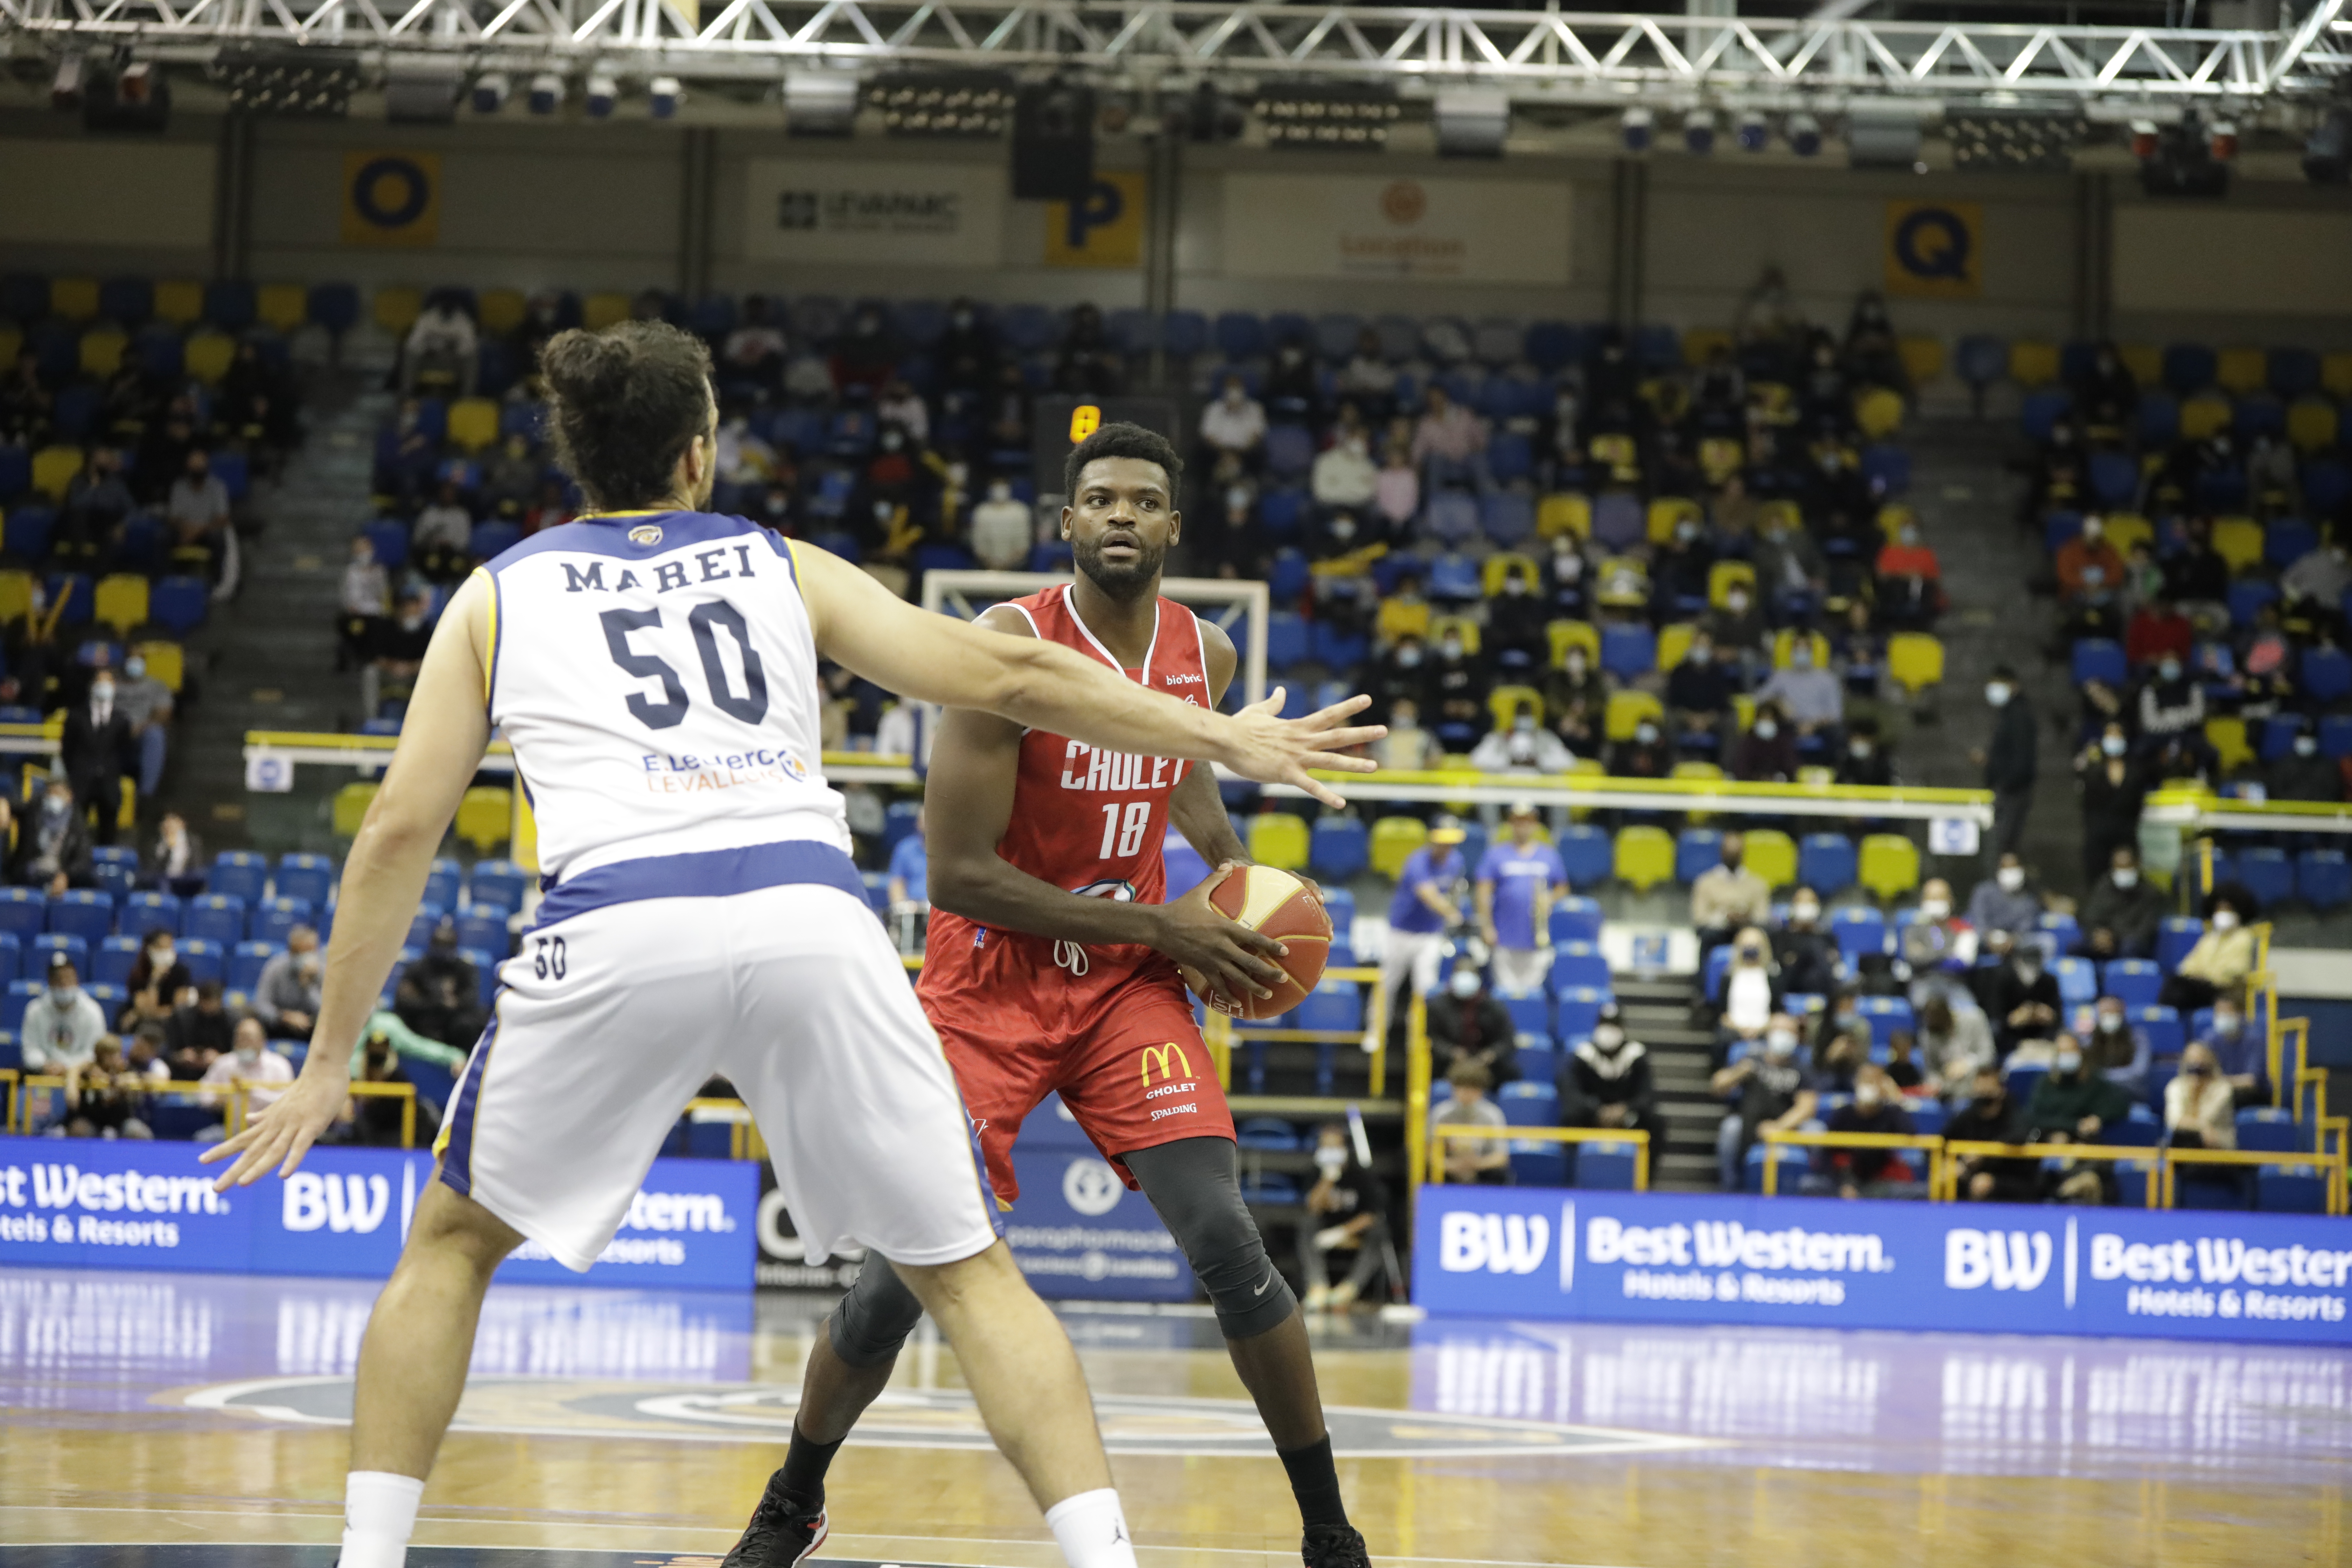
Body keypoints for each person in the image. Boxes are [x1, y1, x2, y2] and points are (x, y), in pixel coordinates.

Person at [201, 326, 1381, 1568]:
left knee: (449, 1245)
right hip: (817, 917)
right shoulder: (777, 563)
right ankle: (1086, 1554)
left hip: (619, 917)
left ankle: (367, 1556)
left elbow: (397, 827)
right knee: (966, 1275)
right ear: (700, 455)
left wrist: (331, 1057)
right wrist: (1228, 739)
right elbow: (1011, 675)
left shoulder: (497, 591)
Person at [1376, 816, 1467, 1045]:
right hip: (1401, 931)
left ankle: (1416, 1041)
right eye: (1443, 842)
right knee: (1387, 984)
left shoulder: (1456, 861)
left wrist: (1453, 910)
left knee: (1425, 989)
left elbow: (1455, 890)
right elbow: (1428, 895)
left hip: (1430, 933)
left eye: (1451, 843)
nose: (1447, 848)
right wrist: (1453, 914)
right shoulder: (1418, 861)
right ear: (1432, 839)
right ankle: (1376, 1034)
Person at [1712, 1014, 1815, 1192]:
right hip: (1750, 1125)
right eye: (1779, 1030)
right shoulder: (1752, 1060)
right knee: (1731, 1128)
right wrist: (1738, 1073)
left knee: (1816, 1130)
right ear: (1769, 1034)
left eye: (1789, 1031)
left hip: (1789, 1127)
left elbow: (1807, 1107)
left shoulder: (1801, 1068)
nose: (1784, 1035)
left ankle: (1808, 1187)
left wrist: (1778, 1128)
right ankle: (1731, 1187)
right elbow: (1717, 1087)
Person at [1473, 802, 1567, 995]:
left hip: (1536, 938)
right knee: (1505, 994)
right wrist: (1486, 926)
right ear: (1511, 823)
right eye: (1518, 821)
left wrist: (1550, 899)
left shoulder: (1549, 855)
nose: (1522, 826)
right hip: (1504, 937)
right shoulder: (1495, 854)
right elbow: (1483, 891)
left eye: (1527, 821)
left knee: (1531, 995)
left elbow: (1562, 887)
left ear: (1535, 824)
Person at [1299, 1123, 1387, 1312]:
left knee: (1379, 1231)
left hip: (1355, 1229)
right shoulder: (1316, 1172)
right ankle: (1318, 1287)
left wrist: (1341, 1233)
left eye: (1334, 1147)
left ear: (1345, 1149)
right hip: (1325, 1228)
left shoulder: (1361, 1174)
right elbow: (1313, 1207)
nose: (1329, 1151)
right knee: (1306, 1224)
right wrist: (1328, 1180)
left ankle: (1349, 1289)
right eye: (1325, 1147)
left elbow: (1372, 1215)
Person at [1558, 1001, 1662, 1149]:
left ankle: (1644, 1172)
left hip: (1628, 1119)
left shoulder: (1636, 1055)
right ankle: (1574, 1170)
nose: (1608, 1032)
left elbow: (1647, 1095)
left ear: (1622, 1029)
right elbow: (1570, 1092)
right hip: (1591, 1118)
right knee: (1570, 1118)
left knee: (1655, 1122)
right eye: (1604, 1025)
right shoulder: (1583, 1055)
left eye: (1614, 1026)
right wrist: (1596, 1110)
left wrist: (1625, 1109)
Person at [1809, 1066, 1921, 1199]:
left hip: (1879, 1182)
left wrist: (1895, 1098)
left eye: (1875, 1082)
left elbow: (1910, 1132)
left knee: (1916, 1193)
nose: (1870, 1086)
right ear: (1856, 1083)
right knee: (1810, 1186)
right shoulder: (1843, 1114)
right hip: (1844, 1180)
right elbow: (1826, 1154)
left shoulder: (1891, 1114)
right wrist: (1845, 1183)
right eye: (1866, 1081)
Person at [62, 667, 133, 847]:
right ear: (92, 686)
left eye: (108, 682)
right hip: (81, 781)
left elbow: (126, 751)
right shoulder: (76, 716)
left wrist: (114, 770)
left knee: (108, 834)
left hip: (109, 783)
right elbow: (67, 750)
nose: (104, 686)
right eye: (100, 682)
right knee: (75, 833)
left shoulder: (122, 719)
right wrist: (78, 771)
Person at [1945, 1067, 2038, 1203]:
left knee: (1981, 1185)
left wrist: (1983, 1155)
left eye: (1989, 1089)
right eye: (1980, 1089)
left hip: (2012, 1177)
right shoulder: (1968, 1116)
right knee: (1946, 1177)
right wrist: (1951, 1164)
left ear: (2001, 1090)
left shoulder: (2015, 1115)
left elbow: (2020, 1136)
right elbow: (1943, 1140)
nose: (1984, 1093)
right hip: (1973, 1175)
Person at [1427, 953, 1521, 1086]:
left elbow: (1507, 1040)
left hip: (1489, 1066)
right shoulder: (1437, 1006)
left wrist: (1491, 1054)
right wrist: (1452, 1053)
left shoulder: (1494, 1007)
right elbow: (1431, 1038)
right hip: (1447, 1065)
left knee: (1510, 1076)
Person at [1975, 665, 2036, 864]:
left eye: (1998, 685)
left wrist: (2005, 784)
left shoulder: (2018, 715)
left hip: (2013, 793)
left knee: (2002, 849)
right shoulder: (2009, 714)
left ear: (2013, 686)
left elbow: (2021, 758)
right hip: (2009, 790)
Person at [2025, 1035, 2133, 1146]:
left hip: (2084, 1140)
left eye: (2071, 1052)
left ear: (2080, 1053)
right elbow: (2033, 1117)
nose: (2067, 1057)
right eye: (2062, 1053)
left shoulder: (2093, 1081)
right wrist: (2075, 1125)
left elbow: (2120, 1105)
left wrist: (2098, 1119)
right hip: (2049, 1138)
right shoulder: (2045, 1083)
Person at [2160, 891, 2258, 1011]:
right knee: (2175, 983)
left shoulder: (2244, 938)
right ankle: (2165, 1020)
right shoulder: (2209, 939)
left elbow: (2238, 969)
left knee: (2182, 991)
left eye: (2227, 910)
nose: (2222, 914)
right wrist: (2193, 974)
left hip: (2223, 990)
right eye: (2219, 910)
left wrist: (2207, 975)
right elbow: (2189, 964)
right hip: (2201, 986)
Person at [20, 954, 107, 1080]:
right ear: (50, 982)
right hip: (42, 1072)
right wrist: (45, 1065)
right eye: (58, 980)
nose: (64, 984)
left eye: (69, 978)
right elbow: (30, 1049)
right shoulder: (35, 1010)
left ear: (77, 980)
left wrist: (68, 1067)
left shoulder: (93, 1011)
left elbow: (93, 1052)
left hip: (80, 1076)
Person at [198, 1014, 296, 1125]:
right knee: (204, 1139)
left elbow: (288, 1100)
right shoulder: (224, 1063)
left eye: (248, 1038)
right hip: (230, 1128)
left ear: (261, 1041)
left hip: (268, 1128)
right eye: (240, 1038)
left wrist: (252, 1092)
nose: (243, 1043)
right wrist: (216, 1101)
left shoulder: (279, 1065)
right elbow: (203, 1091)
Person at [1431, 1059, 1510, 1184]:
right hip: (1448, 1170)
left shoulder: (1493, 1115)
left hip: (1482, 1171)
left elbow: (1501, 1158)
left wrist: (1475, 1165)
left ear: (1481, 1090)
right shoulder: (1441, 1113)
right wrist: (1450, 1165)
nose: (1466, 1094)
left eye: (1472, 1089)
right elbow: (1428, 1153)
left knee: (1499, 1175)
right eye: (1461, 1087)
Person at [1691, 833, 1771, 957]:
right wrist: (1725, 918)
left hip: (1748, 932)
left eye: (1736, 852)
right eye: (1729, 851)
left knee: (1763, 935)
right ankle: (1705, 976)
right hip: (1717, 933)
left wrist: (1746, 918)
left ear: (1743, 853)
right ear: (1722, 852)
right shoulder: (1705, 883)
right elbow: (1700, 919)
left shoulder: (1758, 884)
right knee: (1707, 936)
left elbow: (1763, 916)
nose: (1733, 855)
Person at [15, 773, 93, 892]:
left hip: (62, 873)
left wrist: (66, 874)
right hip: (33, 872)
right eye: (50, 793)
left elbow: (84, 857)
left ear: (69, 796)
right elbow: (15, 806)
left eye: (58, 793)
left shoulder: (77, 821)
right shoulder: (35, 810)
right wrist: (4, 804)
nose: (53, 797)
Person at [1984, 941, 2063, 1059]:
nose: (2031, 970)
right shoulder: (2003, 980)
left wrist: (2048, 1016)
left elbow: (2058, 1017)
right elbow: (1995, 1017)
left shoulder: (2049, 981)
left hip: (2043, 1039)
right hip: (2011, 1039)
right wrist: (2014, 1019)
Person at [115, 652, 175, 802]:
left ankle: (146, 795)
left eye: (138, 660)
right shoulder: (112, 684)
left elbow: (164, 714)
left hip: (142, 733)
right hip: (114, 732)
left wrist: (140, 727)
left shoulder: (156, 686)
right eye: (131, 659)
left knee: (155, 734)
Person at [400, 292, 479, 397]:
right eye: (444, 305)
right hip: (430, 360)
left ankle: (466, 398)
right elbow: (413, 343)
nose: (447, 308)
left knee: (472, 357)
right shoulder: (427, 319)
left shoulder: (464, 321)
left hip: (452, 362)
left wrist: (451, 350)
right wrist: (428, 348)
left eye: (451, 306)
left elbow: (469, 347)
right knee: (410, 353)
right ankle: (407, 394)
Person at [2197, 991, 2269, 1105]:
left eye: (2227, 1013)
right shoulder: (2210, 1039)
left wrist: (2219, 1083)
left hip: (2249, 1095)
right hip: (2219, 1092)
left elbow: (2251, 1081)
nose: (2223, 1017)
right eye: (2219, 1013)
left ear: (2241, 1014)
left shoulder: (2255, 1039)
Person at [254, 925, 325, 1041]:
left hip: (312, 1029)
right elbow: (262, 1005)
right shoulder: (275, 968)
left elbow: (324, 1011)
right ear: (292, 951)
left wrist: (307, 986)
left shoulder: (323, 971)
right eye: (304, 951)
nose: (309, 956)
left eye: (312, 950)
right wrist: (285, 1017)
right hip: (279, 1026)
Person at [1917, 995, 1996, 1098]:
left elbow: (1989, 1055)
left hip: (1978, 1080)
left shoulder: (1974, 1019)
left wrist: (1967, 1064)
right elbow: (1931, 1071)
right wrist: (1936, 1082)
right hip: (1948, 1089)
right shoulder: (1928, 1036)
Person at [2166, 1043, 2238, 1148]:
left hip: (2219, 1147)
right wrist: (2203, 1127)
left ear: (2211, 1068)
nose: (2196, 1077)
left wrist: (2196, 1095)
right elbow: (2175, 1121)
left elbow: (2207, 1118)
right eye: (2191, 1070)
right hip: (2184, 1144)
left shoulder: (2223, 1089)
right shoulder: (2175, 1086)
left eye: (2201, 1071)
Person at [2082, 995, 2152, 1099]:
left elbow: (2138, 1072)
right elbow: (2084, 1071)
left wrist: (2101, 1078)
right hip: (2096, 1095)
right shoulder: (2088, 1040)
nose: (2109, 1016)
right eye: (2105, 1013)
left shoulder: (2138, 1037)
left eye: (2114, 1013)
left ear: (2123, 1014)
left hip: (2129, 1092)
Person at [1773, 888, 1838, 996]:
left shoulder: (1827, 936)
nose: (1806, 907)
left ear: (1817, 907)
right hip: (1791, 985)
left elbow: (1831, 967)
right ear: (1793, 907)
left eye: (1810, 903)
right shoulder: (1781, 936)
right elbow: (1781, 968)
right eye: (1801, 903)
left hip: (1821, 986)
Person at [1965, 852, 2041, 937]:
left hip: (2015, 941)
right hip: (1985, 937)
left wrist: (2012, 940)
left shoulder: (2029, 901)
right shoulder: (1983, 891)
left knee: (2046, 942)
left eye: (2013, 868)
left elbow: (2025, 927)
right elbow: (1978, 919)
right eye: (2005, 868)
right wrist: (1989, 938)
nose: (2010, 873)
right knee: (1969, 938)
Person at [1200, 374, 1267, 468]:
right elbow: (1209, 436)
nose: (1234, 391)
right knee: (1201, 453)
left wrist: (1238, 455)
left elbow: (1257, 436)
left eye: (1237, 387)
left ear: (1244, 389)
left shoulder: (1255, 409)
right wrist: (1226, 454)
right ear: (1224, 390)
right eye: (1230, 387)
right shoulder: (1213, 409)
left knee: (1260, 452)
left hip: (1246, 453)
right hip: (1219, 452)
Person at [884, 817, 929, 955]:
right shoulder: (905, 848)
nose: (926, 823)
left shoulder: (949, 850)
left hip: (938, 908)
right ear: (917, 824)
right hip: (912, 911)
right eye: (923, 819)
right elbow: (896, 883)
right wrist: (901, 906)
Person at [969, 478, 1033, 573]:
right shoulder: (982, 512)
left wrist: (1007, 564)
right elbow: (979, 545)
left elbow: (1024, 544)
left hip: (1017, 568)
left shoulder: (1021, 511)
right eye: (996, 487)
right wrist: (991, 564)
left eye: (1003, 487)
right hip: (986, 567)